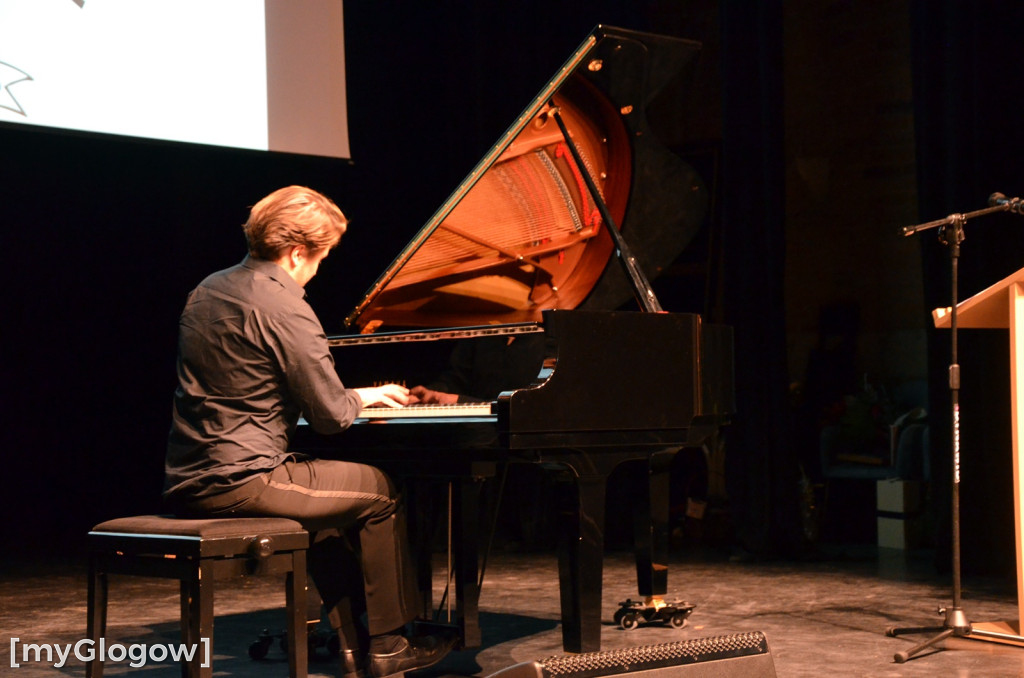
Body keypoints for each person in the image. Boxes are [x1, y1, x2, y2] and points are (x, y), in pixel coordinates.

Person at [163, 185, 454, 678]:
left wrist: (353, 393)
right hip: (245, 479)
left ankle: (351, 646)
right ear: (298, 252)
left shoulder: (207, 289)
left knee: (328, 513)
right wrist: (363, 396)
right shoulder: (285, 306)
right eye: (322, 258)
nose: (318, 270)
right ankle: (389, 645)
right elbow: (331, 417)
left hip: (188, 476)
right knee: (381, 492)